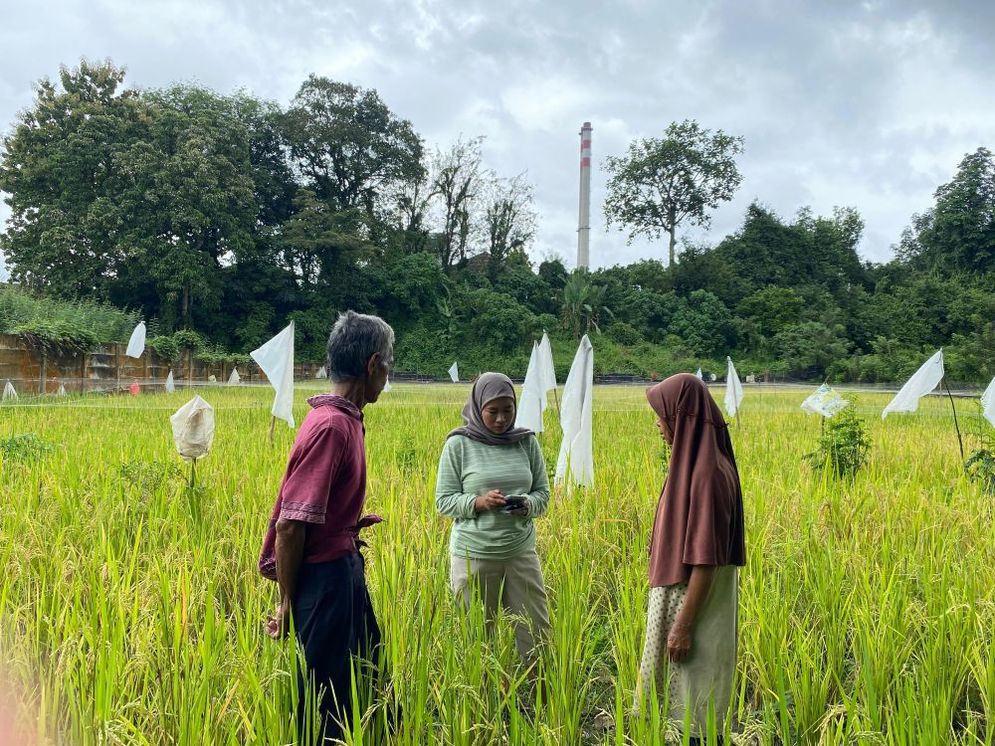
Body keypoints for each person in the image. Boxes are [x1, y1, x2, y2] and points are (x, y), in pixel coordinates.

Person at [259, 310, 394, 744]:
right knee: (326, 701)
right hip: (326, 580)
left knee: (369, 671)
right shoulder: (332, 426)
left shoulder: (345, 418)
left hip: (343, 569)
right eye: (388, 364)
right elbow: (290, 525)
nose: (387, 375)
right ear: (373, 365)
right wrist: (286, 600)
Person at [635, 373, 746, 745]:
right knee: (679, 702)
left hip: (693, 604)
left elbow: (706, 561)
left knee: (695, 707)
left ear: (682, 416)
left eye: (662, 414)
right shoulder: (694, 463)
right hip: (683, 601)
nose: (657, 423)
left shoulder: (707, 474)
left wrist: (682, 626)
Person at [435, 372, 552, 666]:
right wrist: (479, 502)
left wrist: (527, 504)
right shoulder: (459, 445)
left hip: (520, 554)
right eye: (493, 411)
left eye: (507, 410)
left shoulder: (526, 442)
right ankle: (479, 707)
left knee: (536, 633)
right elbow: (444, 501)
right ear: (478, 408)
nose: (501, 419)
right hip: (474, 556)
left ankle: (540, 701)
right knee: (476, 640)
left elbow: (543, 494)